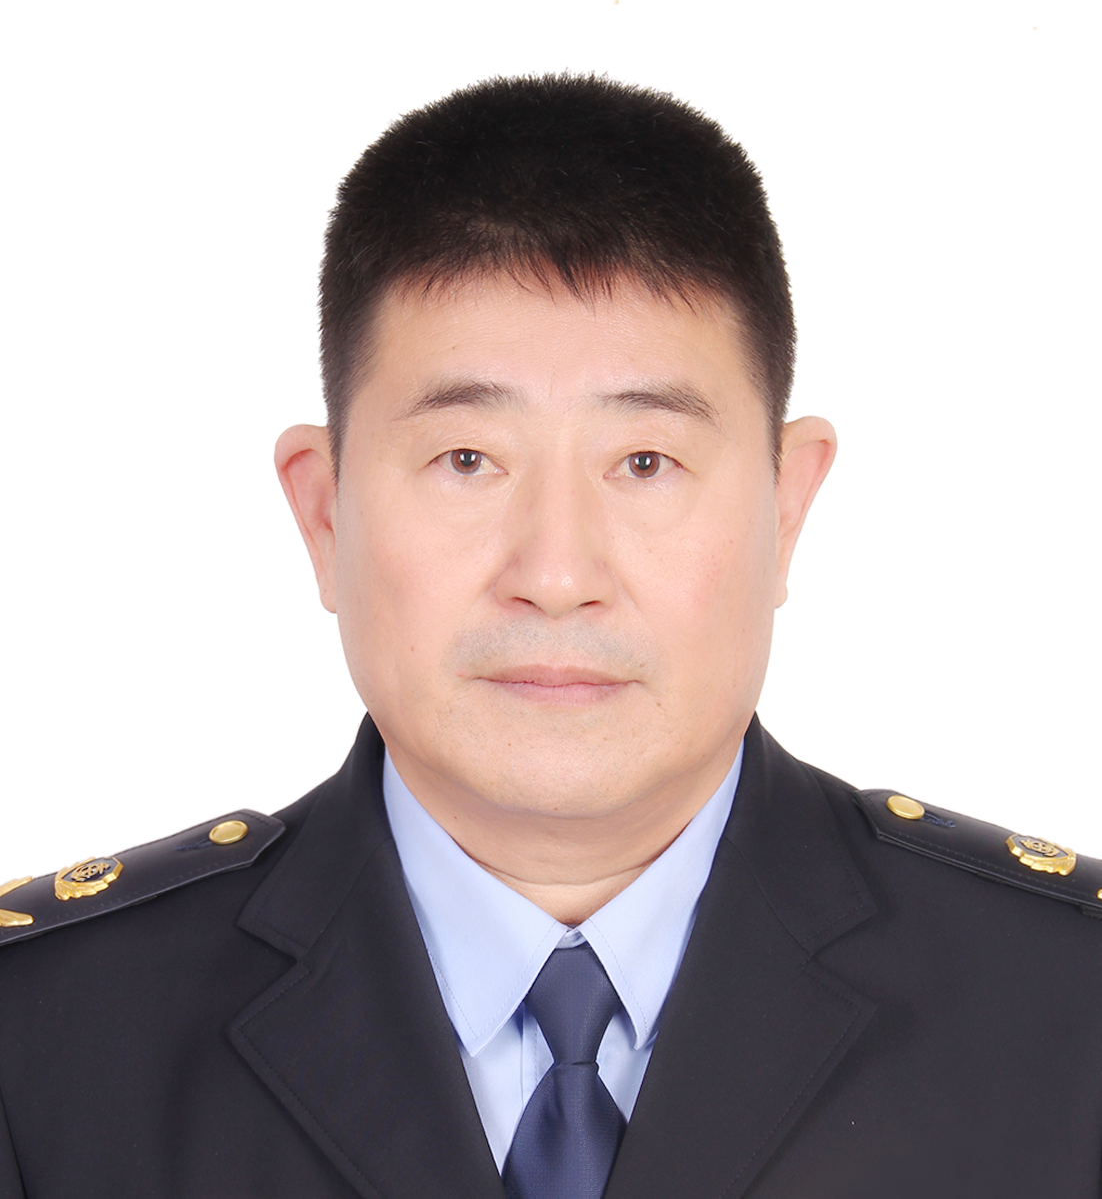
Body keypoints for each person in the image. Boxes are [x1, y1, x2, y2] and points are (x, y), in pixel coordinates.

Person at [1, 66, 1100, 1199]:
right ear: (324, 515)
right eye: (467, 460)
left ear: (787, 509)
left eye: (645, 462)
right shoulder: (40, 1037)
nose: (558, 576)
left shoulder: (1070, 1005)